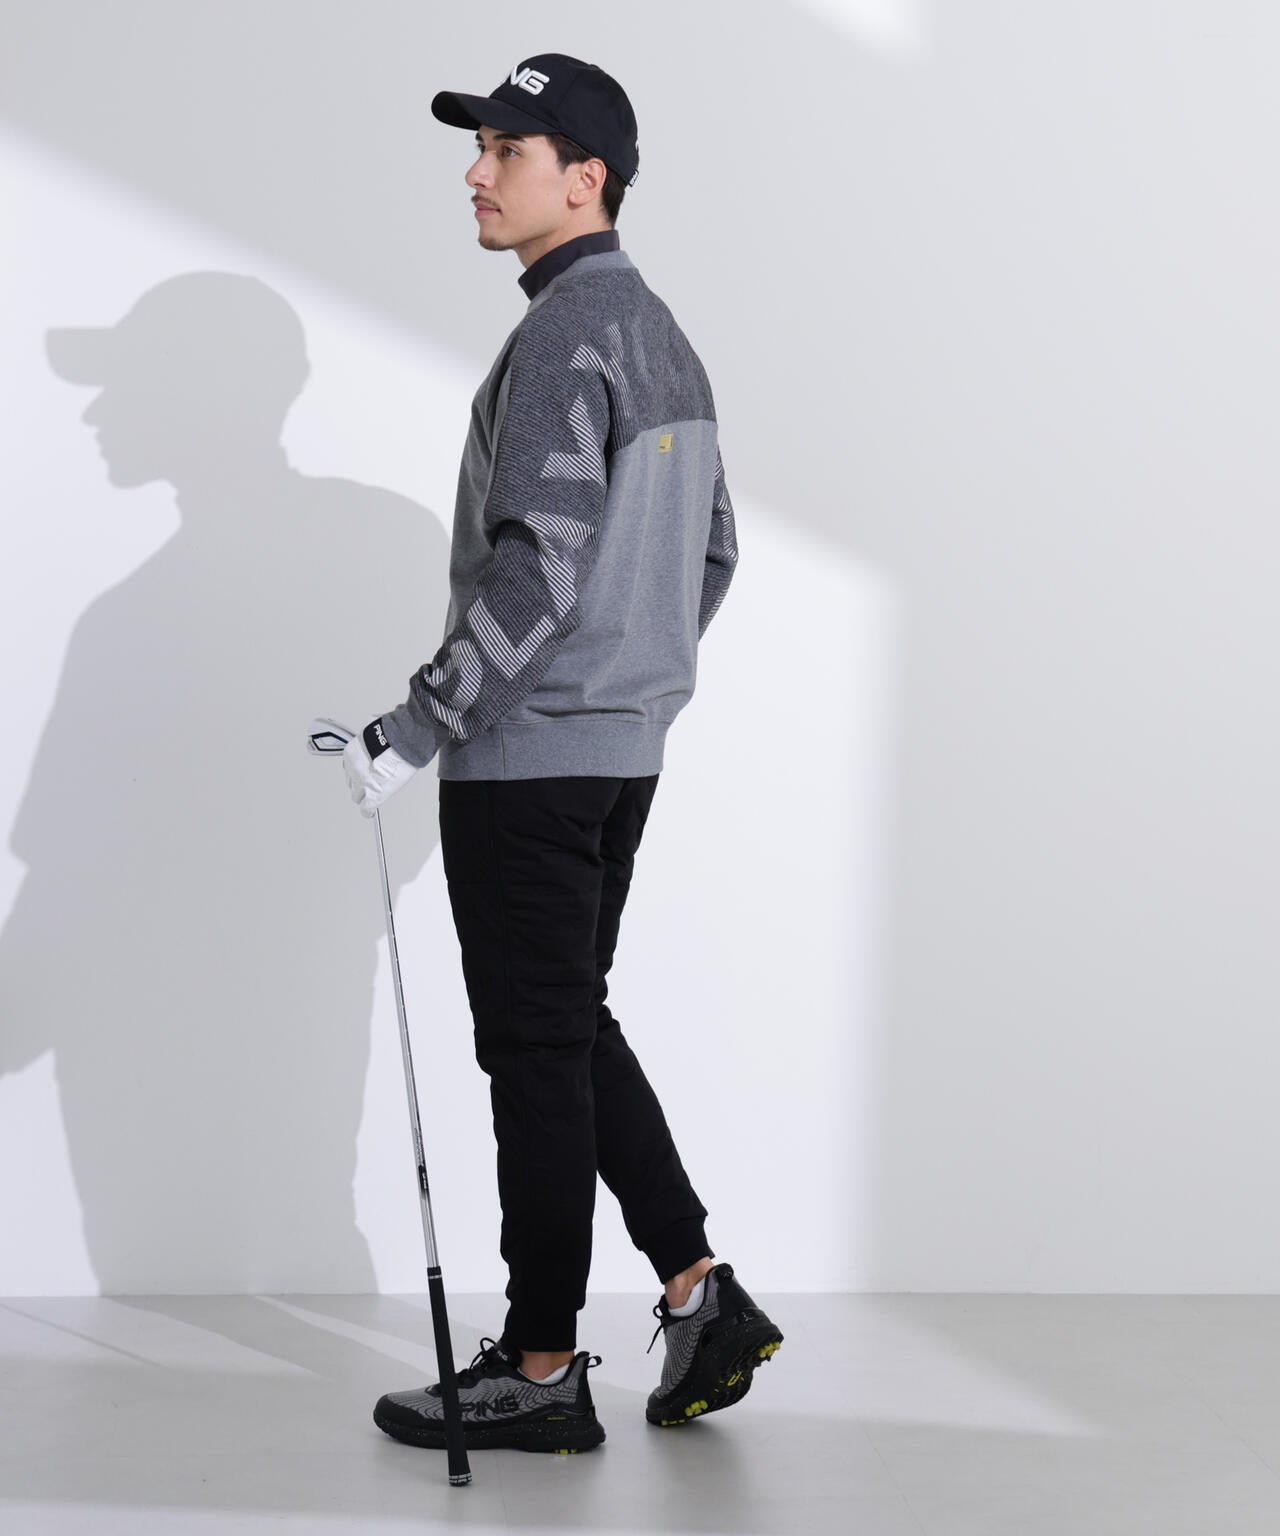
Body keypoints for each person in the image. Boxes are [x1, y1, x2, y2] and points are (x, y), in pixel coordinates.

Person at [339, 52, 782, 1457]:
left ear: (585, 177)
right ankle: (698, 1290)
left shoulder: (561, 338)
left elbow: (538, 568)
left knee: (534, 1050)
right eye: (477, 148)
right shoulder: (660, 333)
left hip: (528, 759)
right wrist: (629, 685)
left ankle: (539, 1368)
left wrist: (417, 724)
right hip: (617, 752)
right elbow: (712, 553)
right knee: (569, 1025)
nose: (476, 173)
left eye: (507, 151)